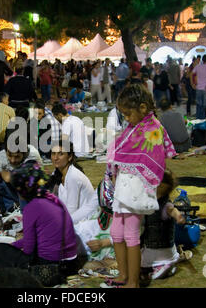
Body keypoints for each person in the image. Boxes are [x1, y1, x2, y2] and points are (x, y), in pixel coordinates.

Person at [102, 84, 176, 288]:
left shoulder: (153, 128)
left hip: (138, 189)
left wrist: (122, 159)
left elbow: (153, 158)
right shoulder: (134, 126)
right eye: (123, 114)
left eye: (128, 114)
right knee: (116, 233)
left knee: (131, 234)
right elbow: (121, 149)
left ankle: (133, 282)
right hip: (123, 187)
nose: (126, 118)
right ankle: (123, 274)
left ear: (143, 108)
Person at [0, 160, 82, 278]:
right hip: (71, 263)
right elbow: (38, 237)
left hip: (50, 265)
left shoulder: (32, 207)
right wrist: (14, 245)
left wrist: (9, 249)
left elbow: (29, 248)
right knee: (6, 248)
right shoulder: (53, 199)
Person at [140, 169, 185, 281]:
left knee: (137, 261)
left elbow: (171, 210)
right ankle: (168, 264)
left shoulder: (165, 205)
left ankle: (161, 267)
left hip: (155, 248)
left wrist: (178, 216)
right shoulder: (152, 201)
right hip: (167, 247)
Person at [0, 138, 42, 214]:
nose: (12, 160)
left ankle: (25, 210)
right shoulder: (2, 154)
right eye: (9, 155)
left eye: (17, 157)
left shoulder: (32, 155)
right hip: (12, 188)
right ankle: (5, 208)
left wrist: (6, 174)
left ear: (24, 153)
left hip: (30, 191)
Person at [49, 141, 98, 225]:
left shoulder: (73, 176)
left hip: (84, 222)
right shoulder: (58, 173)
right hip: (72, 218)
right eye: (53, 153)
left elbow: (72, 209)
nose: (55, 158)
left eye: (61, 154)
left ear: (70, 157)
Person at [192, 54, 206, 119]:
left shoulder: (198, 67)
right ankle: (204, 118)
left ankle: (198, 118)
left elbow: (192, 74)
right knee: (205, 104)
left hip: (199, 87)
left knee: (199, 104)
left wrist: (193, 84)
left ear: (202, 59)